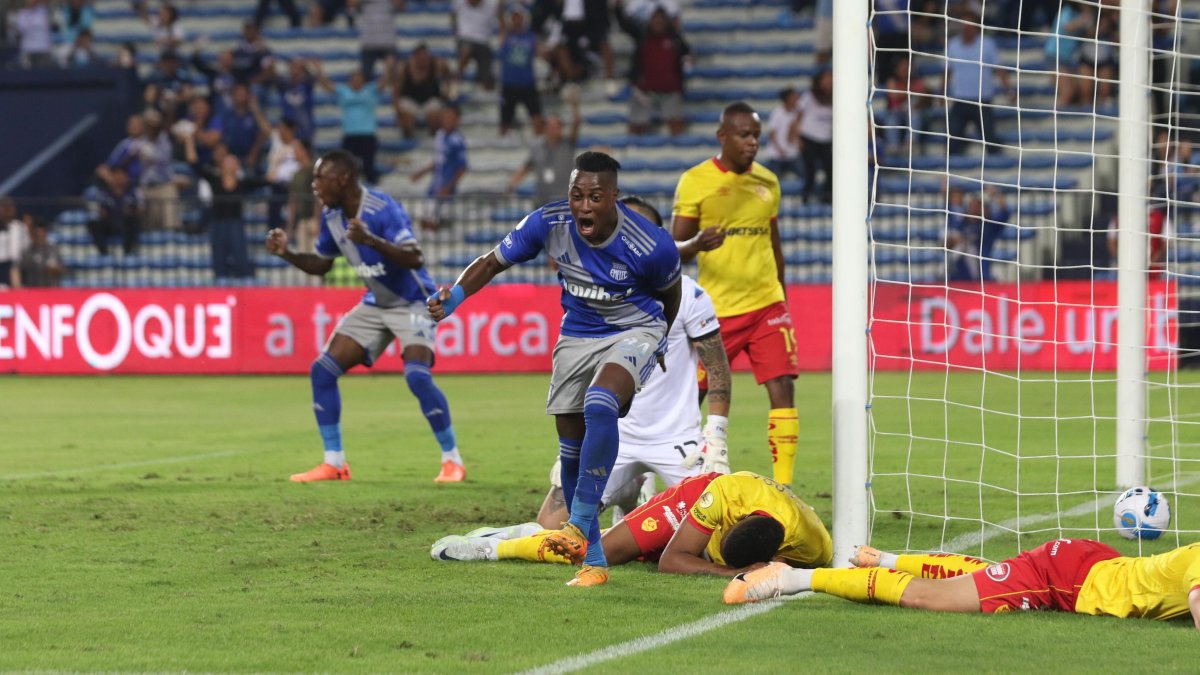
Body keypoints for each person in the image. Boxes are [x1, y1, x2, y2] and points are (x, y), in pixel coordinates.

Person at [427, 151, 683, 586]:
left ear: (614, 198)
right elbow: (492, 261)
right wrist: (452, 300)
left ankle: (579, 522)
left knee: (600, 403)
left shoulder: (650, 243)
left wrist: (657, 342)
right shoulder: (550, 221)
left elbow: (670, 297)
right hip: (577, 333)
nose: (583, 205)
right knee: (570, 447)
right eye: (577, 195)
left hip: (636, 327)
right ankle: (594, 561)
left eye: (595, 197)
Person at [530, 195, 731, 528]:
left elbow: (718, 369)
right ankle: (628, 489)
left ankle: (636, 498)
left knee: (717, 536)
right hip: (614, 436)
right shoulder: (592, 293)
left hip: (677, 440)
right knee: (551, 528)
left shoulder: (691, 295)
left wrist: (717, 436)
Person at [266, 149, 466, 483]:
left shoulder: (381, 209)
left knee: (417, 376)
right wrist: (286, 252)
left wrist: (371, 239)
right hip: (376, 303)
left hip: (414, 301)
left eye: (320, 177)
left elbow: (415, 257)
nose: (314, 184)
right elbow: (322, 264)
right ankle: (335, 463)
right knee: (322, 370)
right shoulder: (331, 217)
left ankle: (452, 461)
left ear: (343, 179)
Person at [672, 101, 801, 487]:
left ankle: (784, 487)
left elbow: (773, 241)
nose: (752, 143)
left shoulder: (768, 181)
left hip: (766, 304)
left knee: (783, 387)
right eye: (744, 135)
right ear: (723, 137)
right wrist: (698, 242)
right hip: (716, 310)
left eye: (757, 136)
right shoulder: (696, 180)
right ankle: (674, 474)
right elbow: (673, 246)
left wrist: (782, 292)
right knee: (691, 395)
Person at [724, 539, 1200, 631]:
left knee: (988, 575)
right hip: (1066, 579)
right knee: (931, 600)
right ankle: (791, 578)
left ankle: (888, 558)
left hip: (1091, 567)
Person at [432, 471, 832, 579]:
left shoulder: (817, 549)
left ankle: (526, 533)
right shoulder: (723, 496)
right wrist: (731, 571)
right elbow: (673, 560)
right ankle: (494, 546)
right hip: (699, 498)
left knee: (617, 545)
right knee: (596, 553)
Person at [944, 7, 1012, 156]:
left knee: (990, 140)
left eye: (970, 25)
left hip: (982, 100)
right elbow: (947, 72)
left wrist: (1009, 90)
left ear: (976, 27)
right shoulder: (953, 45)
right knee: (951, 141)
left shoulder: (987, 44)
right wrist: (941, 92)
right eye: (965, 25)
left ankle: (996, 170)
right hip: (960, 99)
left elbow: (999, 69)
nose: (967, 28)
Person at [314, 57, 392, 185]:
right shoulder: (344, 91)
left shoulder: (370, 90)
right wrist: (319, 70)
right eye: (354, 78)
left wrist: (387, 68)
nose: (356, 81)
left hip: (367, 134)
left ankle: (372, 192)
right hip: (350, 134)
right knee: (347, 167)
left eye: (359, 78)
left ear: (363, 80)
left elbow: (383, 82)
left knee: (368, 166)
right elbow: (327, 86)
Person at [616, 4, 690, 136]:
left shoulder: (675, 39)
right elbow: (624, 25)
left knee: (677, 126)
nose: (658, 22)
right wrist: (617, 8)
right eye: (655, 18)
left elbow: (687, 54)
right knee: (635, 127)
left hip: (670, 90)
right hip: (644, 91)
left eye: (661, 19)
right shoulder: (642, 36)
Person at [506, 99, 580, 205]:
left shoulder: (568, 144)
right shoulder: (537, 147)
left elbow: (576, 124)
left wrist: (575, 106)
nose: (552, 129)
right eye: (550, 126)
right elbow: (527, 167)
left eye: (556, 126)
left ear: (561, 129)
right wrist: (512, 183)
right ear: (545, 128)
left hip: (565, 201)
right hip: (543, 201)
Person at [411, 105, 467, 231]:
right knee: (422, 220)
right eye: (446, 117)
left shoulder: (457, 141)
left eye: (451, 118)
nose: (447, 120)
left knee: (434, 223)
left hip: (445, 191)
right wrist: (421, 172)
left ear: (457, 120)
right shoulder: (439, 135)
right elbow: (438, 161)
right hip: (433, 187)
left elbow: (462, 168)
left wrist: (449, 187)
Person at [497, 5, 543, 137]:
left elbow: (540, 53)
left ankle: (539, 143)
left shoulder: (531, 37)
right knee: (505, 120)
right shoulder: (506, 35)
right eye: (514, 17)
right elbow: (500, 18)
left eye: (519, 17)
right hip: (509, 84)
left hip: (527, 83)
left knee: (536, 116)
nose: (517, 20)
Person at [392, 43, 451, 139]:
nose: (423, 59)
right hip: (410, 99)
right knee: (405, 117)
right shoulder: (404, 67)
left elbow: (449, 76)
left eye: (425, 56)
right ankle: (409, 139)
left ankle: (434, 138)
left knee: (435, 116)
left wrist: (448, 91)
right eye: (420, 56)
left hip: (430, 99)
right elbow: (396, 90)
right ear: (414, 57)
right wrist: (396, 107)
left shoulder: (436, 64)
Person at [84, 166, 143, 256]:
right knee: (93, 223)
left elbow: (140, 210)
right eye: (116, 175)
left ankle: (128, 252)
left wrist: (131, 211)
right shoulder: (104, 192)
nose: (119, 178)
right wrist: (102, 212)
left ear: (126, 177)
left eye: (122, 175)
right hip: (110, 223)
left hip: (125, 224)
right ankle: (103, 253)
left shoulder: (133, 192)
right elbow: (99, 210)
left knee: (132, 221)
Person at [796, 69, 833, 203]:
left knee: (831, 170)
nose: (829, 82)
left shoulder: (836, 97)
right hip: (809, 137)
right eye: (826, 79)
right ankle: (805, 199)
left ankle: (827, 199)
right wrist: (797, 138)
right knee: (810, 171)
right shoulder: (809, 96)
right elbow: (798, 117)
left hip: (827, 139)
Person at [452, 0, 500, 92]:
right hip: (466, 38)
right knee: (466, 49)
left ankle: (485, 91)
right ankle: (458, 76)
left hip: (483, 41)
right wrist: (456, 32)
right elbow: (453, 14)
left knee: (488, 77)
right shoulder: (459, 2)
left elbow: (501, 14)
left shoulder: (492, 4)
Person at [765, 87, 802, 181]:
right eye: (794, 97)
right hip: (777, 155)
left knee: (806, 177)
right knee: (773, 181)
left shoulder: (798, 113)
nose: (797, 99)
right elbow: (772, 133)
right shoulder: (777, 112)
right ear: (787, 98)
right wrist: (780, 149)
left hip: (793, 154)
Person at [18, 217, 63, 288]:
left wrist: (55, 269)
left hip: (51, 290)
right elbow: (17, 269)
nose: (39, 236)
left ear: (46, 233)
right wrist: (18, 287)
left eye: (41, 233)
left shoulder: (53, 249)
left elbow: (61, 270)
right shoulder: (27, 251)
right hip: (33, 290)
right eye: (36, 234)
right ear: (32, 234)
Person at [0, 196, 28, 289]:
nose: (7, 210)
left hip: (17, 267)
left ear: (14, 209)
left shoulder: (21, 227)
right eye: (4, 207)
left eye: (9, 207)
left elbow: (26, 248)